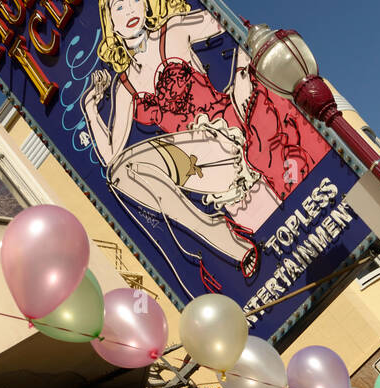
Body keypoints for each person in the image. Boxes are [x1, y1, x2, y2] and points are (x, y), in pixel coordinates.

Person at [81, 0, 328, 289]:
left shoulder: (171, 32)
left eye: (133, 1)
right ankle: (224, 239)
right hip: (198, 164)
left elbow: (236, 31)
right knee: (124, 172)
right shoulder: (125, 86)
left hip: (227, 130)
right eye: (118, 8)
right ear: (109, 21)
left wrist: (241, 75)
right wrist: (89, 108)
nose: (130, 11)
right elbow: (111, 156)